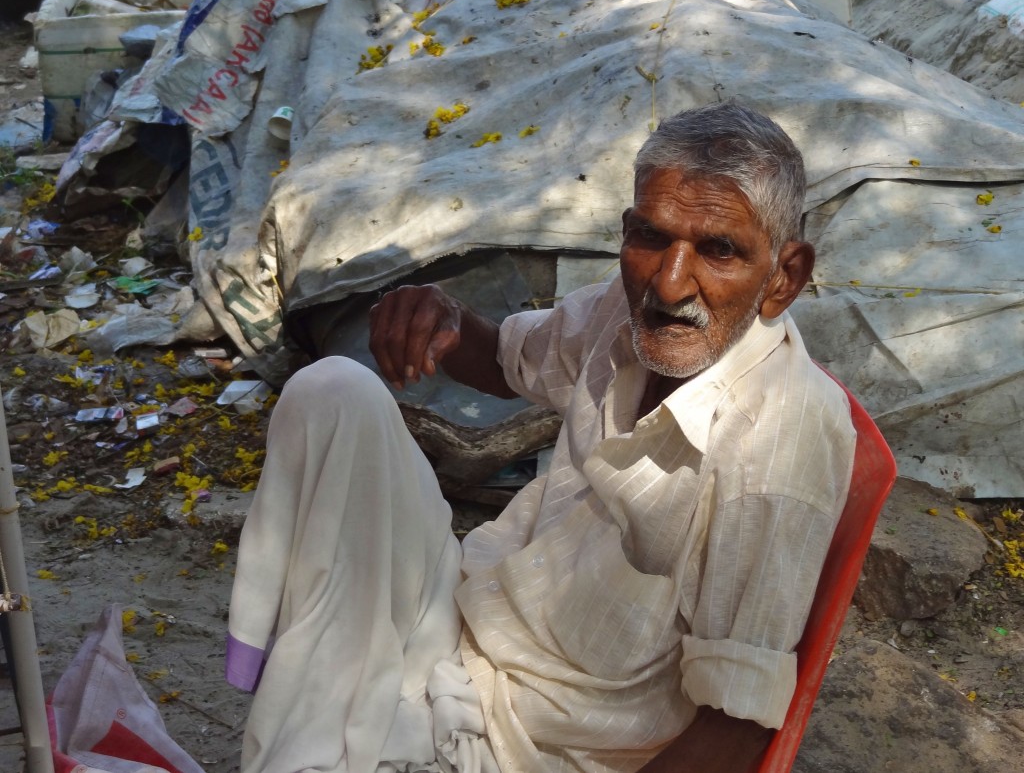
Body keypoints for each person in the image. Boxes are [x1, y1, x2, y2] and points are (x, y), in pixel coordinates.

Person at [225, 102, 856, 773]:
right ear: (628, 231)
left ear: (782, 278)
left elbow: (737, 727)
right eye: (651, 236)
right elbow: (504, 358)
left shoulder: (781, 437)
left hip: (523, 746)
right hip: (466, 615)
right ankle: (277, 668)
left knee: (318, 727)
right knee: (330, 394)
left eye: (719, 250)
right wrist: (442, 315)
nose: (671, 282)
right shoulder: (629, 306)